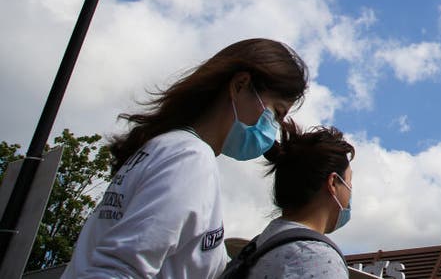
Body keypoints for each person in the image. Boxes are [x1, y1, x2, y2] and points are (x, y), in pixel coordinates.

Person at [62, 38, 308, 278]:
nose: (273, 128)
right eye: (276, 113)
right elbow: (116, 271)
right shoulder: (189, 158)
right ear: (240, 85)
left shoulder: (165, 147)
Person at [230, 123, 355, 279]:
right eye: (349, 182)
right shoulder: (317, 258)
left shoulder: (255, 247)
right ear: (333, 183)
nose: (350, 191)